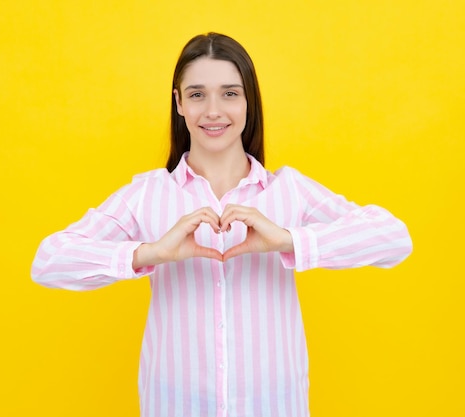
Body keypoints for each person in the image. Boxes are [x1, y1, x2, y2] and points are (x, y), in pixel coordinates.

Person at [31, 32, 413, 417]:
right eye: (197, 94)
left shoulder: (290, 191)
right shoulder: (146, 194)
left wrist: (288, 240)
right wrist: (150, 253)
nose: (213, 111)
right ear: (178, 102)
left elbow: (394, 238)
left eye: (230, 93)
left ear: (249, 102)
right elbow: (49, 261)